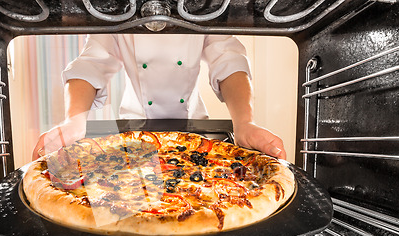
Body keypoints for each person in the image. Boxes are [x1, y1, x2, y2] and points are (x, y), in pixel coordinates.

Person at [32, 34, 286, 160]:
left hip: (195, 131)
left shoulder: (204, 6)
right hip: (135, 129)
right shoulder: (116, 7)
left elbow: (228, 60)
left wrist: (244, 123)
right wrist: (74, 121)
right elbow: (91, 63)